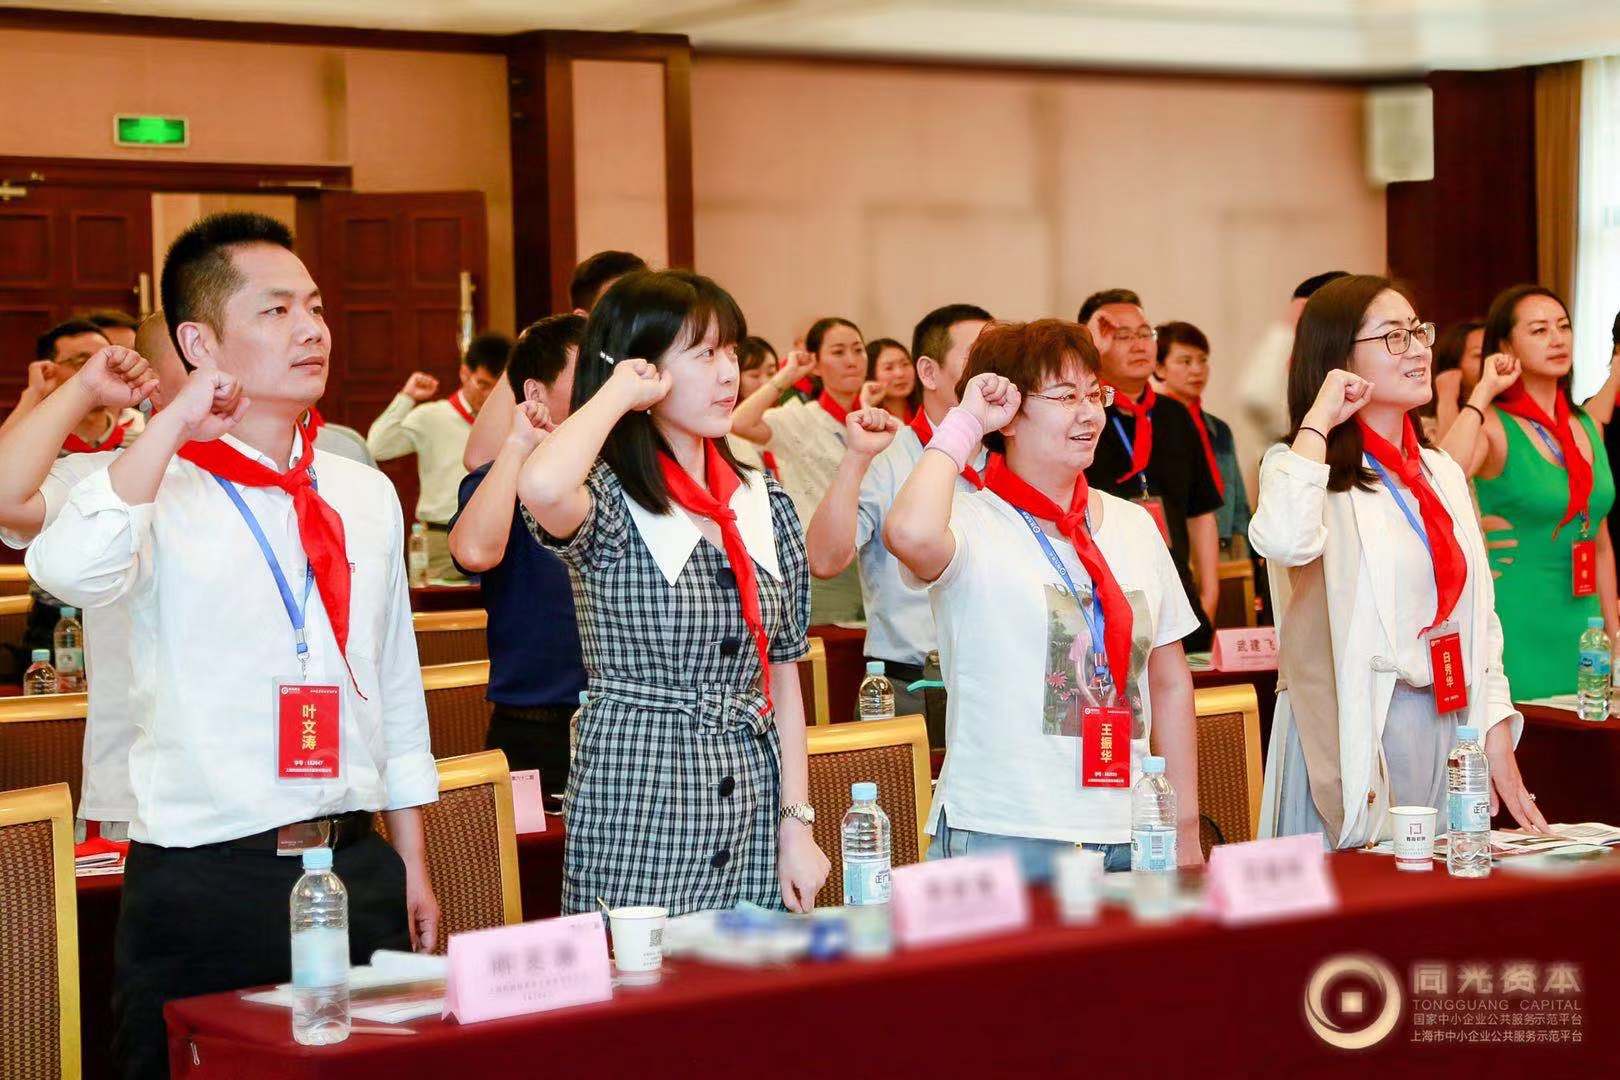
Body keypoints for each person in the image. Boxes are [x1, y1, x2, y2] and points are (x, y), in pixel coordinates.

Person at [27, 212, 439, 1079]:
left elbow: (395, 688)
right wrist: (176, 420)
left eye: (315, 307)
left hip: (354, 862)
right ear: (199, 343)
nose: (312, 329)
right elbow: (67, 569)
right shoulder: (151, 484)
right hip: (205, 876)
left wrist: (411, 859)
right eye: (277, 310)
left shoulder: (362, 492)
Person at [516, 268, 829, 915]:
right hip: (640, 791)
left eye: (731, 352)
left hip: (754, 792)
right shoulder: (606, 497)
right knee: (638, 973)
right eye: (704, 354)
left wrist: (796, 823)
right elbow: (540, 486)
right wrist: (616, 393)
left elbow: (784, 673)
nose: (728, 374)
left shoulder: (762, 499)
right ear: (645, 369)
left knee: (752, 971)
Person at [885, 319, 1204, 881]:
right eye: (1064, 397)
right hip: (1005, 831)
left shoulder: (1132, 524)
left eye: (1094, 394)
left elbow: (1169, 681)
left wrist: (1183, 828)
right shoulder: (968, 521)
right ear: (1008, 415)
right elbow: (907, 533)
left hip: (1132, 828)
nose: (1088, 413)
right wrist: (966, 422)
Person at [1250, 274, 1548, 848]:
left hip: (1448, 718)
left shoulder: (1441, 472)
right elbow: (1284, 540)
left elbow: (1480, 617)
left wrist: (1493, 729)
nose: (1417, 350)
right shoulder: (1302, 467)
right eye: (1393, 336)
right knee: (1360, 893)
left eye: (1418, 331)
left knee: (1444, 890)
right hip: (1355, 723)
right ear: (1339, 359)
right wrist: (1320, 418)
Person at [0, 314, 182, 840]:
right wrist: (75, 391)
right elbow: (8, 498)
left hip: (282, 785)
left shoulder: (329, 482)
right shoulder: (104, 475)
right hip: (139, 783)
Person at [805, 304, 990, 732]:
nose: (993, 371)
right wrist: (856, 458)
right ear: (928, 372)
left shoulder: (1014, 459)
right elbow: (824, 560)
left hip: (996, 685)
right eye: (976, 356)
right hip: (908, 688)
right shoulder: (886, 454)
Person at [1436, 284, 1618, 699]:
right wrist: (1483, 391)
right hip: (1516, 617)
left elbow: (1601, 544)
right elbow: (1440, 480)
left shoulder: (1587, 424)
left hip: (1584, 624)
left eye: (1563, 327)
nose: (1557, 339)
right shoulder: (1493, 425)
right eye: (1539, 330)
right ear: (1505, 346)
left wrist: (1613, 634)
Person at [449, 314, 587, 807]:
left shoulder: (628, 480)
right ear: (535, 391)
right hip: (534, 727)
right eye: (585, 371)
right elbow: (474, 553)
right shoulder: (501, 477)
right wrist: (517, 444)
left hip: (626, 728)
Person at [1078, 290, 1221, 651]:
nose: (1139, 344)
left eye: (1145, 333)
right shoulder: (1082, 417)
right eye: (1122, 336)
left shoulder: (1176, 416)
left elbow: (1200, 512)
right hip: (1101, 596)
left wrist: (1209, 596)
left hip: (1177, 593)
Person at [731, 316, 883, 623]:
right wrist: (786, 376)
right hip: (824, 565)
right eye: (838, 352)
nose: (851, 361)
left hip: (876, 558)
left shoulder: (878, 421)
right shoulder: (799, 418)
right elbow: (739, 422)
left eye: (858, 350)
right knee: (831, 647)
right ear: (815, 364)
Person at [462, 251, 649, 473]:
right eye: (620, 312)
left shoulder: (662, 366)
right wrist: (527, 346)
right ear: (583, 320)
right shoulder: (563, 386)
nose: (635, 323)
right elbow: (480, 459)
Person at [366, 332, 510, 581]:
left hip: (499, 541)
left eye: (497, 388)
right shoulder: (431, 417)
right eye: (483, 384)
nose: (488, 395)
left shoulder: (515, 420)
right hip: (441, 541)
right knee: (442, 604)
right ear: (464, 373)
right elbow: (378, 446)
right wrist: (407, 397)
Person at [1154, 320, 1251, 556]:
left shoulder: (1218, 429)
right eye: (1185, 361)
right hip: (1177, 548)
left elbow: (1237, 498)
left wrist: (1249, 551)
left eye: (1203, 360)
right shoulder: (1152, 426)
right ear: (1159, 368)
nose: (1197, 370)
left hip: (1226, 546)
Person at [728, 336, 779, 473]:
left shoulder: (782, 418)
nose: (766, 383)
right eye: (755, 375)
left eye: (771, 373)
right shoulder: (726, 431)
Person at [1427, 319, 1484, 439]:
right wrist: (1447, 398)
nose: (1491, 360)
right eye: (1479, 355)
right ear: (1453, 364)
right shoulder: (1426, 429)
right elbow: (1450, 450)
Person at [865, 337, 918, 421]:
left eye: (905, 364)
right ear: (871, 374)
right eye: (889, 368)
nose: (900, 373)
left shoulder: (928, 408)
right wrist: (866, 405)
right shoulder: (865, 415)